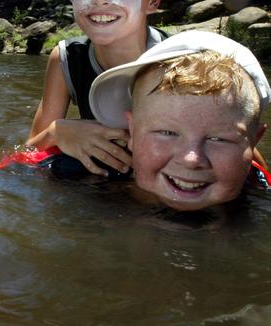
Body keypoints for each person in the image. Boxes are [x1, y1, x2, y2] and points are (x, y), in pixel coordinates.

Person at [27, 0, 166, 177]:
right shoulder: (66, 59)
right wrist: (57, 132)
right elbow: (31, 152)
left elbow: (241, 156)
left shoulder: (182, 61)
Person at [88, 30, 270, 211]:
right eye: (167, 133)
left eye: (218, 139)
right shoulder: (89, 173)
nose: (191, 160)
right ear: (132, 130)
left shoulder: (262, 193)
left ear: (254, 141)